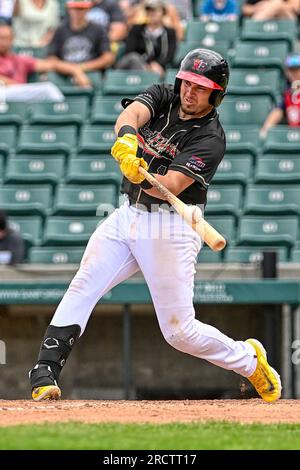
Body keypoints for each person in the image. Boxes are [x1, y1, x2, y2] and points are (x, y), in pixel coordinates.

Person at [28, 48, 282, 403]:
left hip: (172, 227)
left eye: (201, 87)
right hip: (127, 214)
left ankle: (248, 360)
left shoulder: (211, 138)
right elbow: (132, 113)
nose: (190, 92)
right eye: (187, 83)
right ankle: (45, 371)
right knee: (84, 284)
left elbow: (172, 187)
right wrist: (128, 138)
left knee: (179, 332)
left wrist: (142, 175)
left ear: (216, 93)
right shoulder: (165, 94)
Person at [47, 0, 114, 87]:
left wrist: (82, 67)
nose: (77, 12)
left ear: (88, 9)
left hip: (90, 71)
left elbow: (108, 57)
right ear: (69, 9)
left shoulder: (98, 29)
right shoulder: (61, 30)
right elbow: (52, 58)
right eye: (75, 8)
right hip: (65, 73)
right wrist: (74, 70)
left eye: (81, 9)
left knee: (95, 80)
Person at [0, 23, 65, 101]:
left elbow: (51, 65)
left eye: (6, 38)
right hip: (3, 92)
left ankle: (63, 111)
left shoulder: (20, 60)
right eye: (1, 38)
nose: (3, 42)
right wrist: (10, 83)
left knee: (49, 89)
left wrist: (76, 71)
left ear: (12, 39)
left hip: (18, 94)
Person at [116, 0, 176, 78]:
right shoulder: (136, 29)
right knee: (133, 58)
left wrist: (158, 64)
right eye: (149, 10)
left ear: (163, 12)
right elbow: (129, 51)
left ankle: (151, 78)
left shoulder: (169, 33)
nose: (152, 13)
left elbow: (169, 55)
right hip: (135, 66)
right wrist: (148, 66)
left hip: (159, 68)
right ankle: (149, 77)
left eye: (155, 10)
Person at [260, 53, 300, 137]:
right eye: (291, 70)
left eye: (297, 69)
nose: (294, 73)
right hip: (293, 136)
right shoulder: (288, 93)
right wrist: (265, 130)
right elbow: (278, 111)